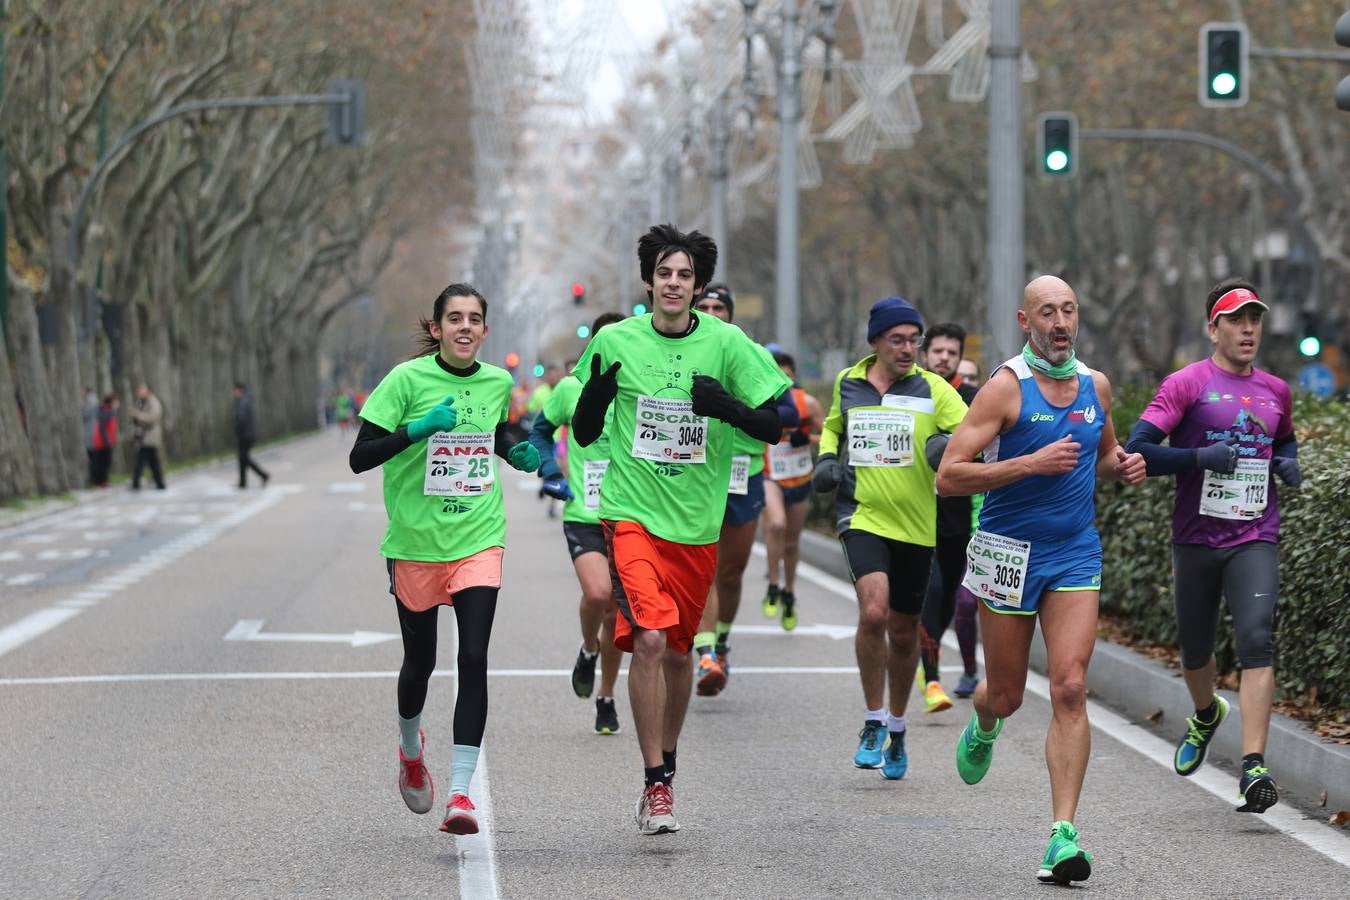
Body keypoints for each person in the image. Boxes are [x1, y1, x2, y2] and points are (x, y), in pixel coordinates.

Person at [570, 224, 789, 835]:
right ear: (648, 282)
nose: (674, 284)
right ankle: (654, 783)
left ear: (698, 287)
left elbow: (776, 423)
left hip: (695, 526)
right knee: (648, 639)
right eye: (664, 273)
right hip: (631, 513)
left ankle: (667, 762)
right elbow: (585, 431)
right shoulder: (615, 340)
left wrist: (727, 408)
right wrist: (598, 396)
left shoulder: (727, 343)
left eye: (685, 276)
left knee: (679, 653)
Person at [936, 275, 1145, 886]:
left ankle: (1062, 836)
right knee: (1004, 694)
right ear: (1025, 322)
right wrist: (1028, 462)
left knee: (1071, 688)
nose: (1061, 322)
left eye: (1069, 311)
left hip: (1074, 554)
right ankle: (984, 721)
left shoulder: (1094, 386)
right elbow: (949, 476)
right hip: (1008, 553)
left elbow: (1102, 455)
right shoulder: (1004, 390)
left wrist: (1122, 464)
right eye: (1047, 312)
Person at [349, 283, 541, 837]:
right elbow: (360, 456)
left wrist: (515, 450)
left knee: (474, 655)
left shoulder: (497, 382)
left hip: (479, 536)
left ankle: (461, 794)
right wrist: (417, 429)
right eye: (453, 318)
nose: (464, 327)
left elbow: (493, 433)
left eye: (474, 319)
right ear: (435, 329)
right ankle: (411, 747)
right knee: (421, 664)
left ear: (484, 331)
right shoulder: (405, 382)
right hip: (415, 544)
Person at [1124, 279, 1297, 815]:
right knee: (1196, 650)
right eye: (1236, 320)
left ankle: (1253, 767)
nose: (1248, 330)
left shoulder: (1275, 390)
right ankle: (1204, 714)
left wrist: (1288, 461)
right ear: (1213, 328)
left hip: (1254, 534)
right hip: (1196, 538)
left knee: (1256, 639)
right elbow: (1139, 450)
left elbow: (1283, 436)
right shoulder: (1187, 383)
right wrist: (1199, 458)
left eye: (1255, 320)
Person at [812, 297, 968, 782]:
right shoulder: (849, 383)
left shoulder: (935, 388)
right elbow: (834, 427)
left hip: (917, 526)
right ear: (875, 341)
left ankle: (898, 727)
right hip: (862, 515)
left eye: (913, 340)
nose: (907, 349)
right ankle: (873, 719)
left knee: (903, 633)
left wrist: (949, 446)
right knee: (873, 611)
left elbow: (972, 431)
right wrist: (825, 459)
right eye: (897, 340)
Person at [687, 284, 790, 695]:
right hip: (696, 472)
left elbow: (780, 415)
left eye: (719, 307)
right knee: (705, 570)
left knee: (730, 573)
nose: (712, 312)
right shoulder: (683, 353)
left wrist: (729, 404)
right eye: (705, 306)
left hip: (742, 474)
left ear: (731, 315)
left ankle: (723, 639)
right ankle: (706, 652)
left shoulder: (749, 355)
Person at [529, 311, 627, 735]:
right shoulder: (570, 388)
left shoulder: (639, 389)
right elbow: (539, 432)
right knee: (599, 594)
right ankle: (588, 651)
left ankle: (605, 697)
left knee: (616, 616)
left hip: (630, 513)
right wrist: (550, 470)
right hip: (585, 513)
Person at [915, 324, 982, 709]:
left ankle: (933, 654)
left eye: (951, 353)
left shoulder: (976, 399)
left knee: (953, 604)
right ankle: (934, 679)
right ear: (926, 355)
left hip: (965, 519)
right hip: (921, 516)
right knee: (934, 591)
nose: (943, 358)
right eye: (937, 351)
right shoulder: (914, 394)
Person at [760, 349, 824, 631]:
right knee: (776, 525)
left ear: (793, 375)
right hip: (770, 475)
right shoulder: (760, 398)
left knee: (792, 542)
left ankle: (789, 592)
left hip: (799, 477)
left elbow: (828, 436)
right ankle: (773, 584)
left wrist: (806, 437)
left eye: (785, 373)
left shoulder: (807, 403)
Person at [129, 383, 167, 490]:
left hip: (150, 436)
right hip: (142, 435)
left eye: (142, 390)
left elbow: (153, 418)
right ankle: (160, 483)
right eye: (139, 390)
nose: (139, 392)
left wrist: (137, 414)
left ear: (148, 391)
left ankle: (136, 483)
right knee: (153, 462)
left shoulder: (154, 402)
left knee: (141, 461)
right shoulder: (140, 402)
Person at [233, 383, 270, 488]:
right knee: (242, 459)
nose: (234, 394)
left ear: (240, 390)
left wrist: (237, 429)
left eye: (235, 391)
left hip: (245, 435)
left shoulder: (243, 402)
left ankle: (263, 475)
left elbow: (241, 418)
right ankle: (243, 482)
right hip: (247, 434)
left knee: (244, 458)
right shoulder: (246, 400)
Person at [89, 393, 119, 488]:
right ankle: (101, 481)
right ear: (111, 402)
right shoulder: (106, 411)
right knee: (104, 462)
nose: (117, 404)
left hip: (104, 441)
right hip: (103, 442)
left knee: (103, 462)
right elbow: (103, 428)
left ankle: (101, 480)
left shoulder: (106, 410)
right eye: (115, 402)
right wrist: (107, 441)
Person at [82, 387, 99, 486]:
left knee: (92, 457)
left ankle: (94, 478)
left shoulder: (91, 402)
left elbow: (84, 414)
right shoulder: (93, 402)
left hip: (90, 433)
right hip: (92, 433)